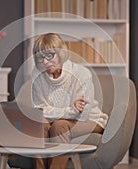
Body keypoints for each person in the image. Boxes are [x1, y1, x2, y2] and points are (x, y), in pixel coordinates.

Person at [31, 33, 109, 169]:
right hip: (59, 119)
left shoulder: (81, 74)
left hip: (90, 120)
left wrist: (64, 112)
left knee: (59, 126)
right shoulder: (37, 75)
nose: (45, 62)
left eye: (50, 55)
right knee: (39, 125)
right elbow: (40, 111)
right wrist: (69, 110)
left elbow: (82, 114)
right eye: (40, 58)